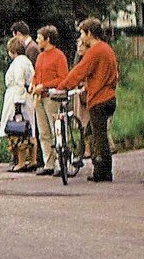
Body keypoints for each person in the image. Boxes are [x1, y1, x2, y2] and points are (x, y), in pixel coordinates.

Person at [56, 17, 119, 182]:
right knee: (95, 132)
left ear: (89, 33)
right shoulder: (107, 49)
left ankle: (103, 172)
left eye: (82, 33)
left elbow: (79, 71)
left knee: (99, 138)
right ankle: (101, 167)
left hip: (99, 98)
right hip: (109, 96)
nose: (81, 38)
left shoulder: (95, 51)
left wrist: (62, 87)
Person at [29, 24, 70, 176]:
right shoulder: (40, 56)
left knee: (56, 130)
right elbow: (36, 73)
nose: (37, 40)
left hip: (52, 97)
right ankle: (48, 163)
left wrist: (44, 86)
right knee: (43, 132)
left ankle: (61, 162)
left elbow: (62, 78)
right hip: (39, 97)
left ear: (48, 39)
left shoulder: (59, 56)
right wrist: (33, 84)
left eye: (39, 38)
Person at [0, 36, 36, 173]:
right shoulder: (26, 62)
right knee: (30, 129)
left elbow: (20, 83)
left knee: (18, 130)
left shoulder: (18, 63)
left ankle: (21, 162)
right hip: (27, 98)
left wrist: (17, 106)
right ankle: (32, 160)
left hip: (17, 98)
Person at [11, 20, 42, 167]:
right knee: (31, 128)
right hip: (28, 93)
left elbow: (21, 80)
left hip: (25, 94)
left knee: (25, 127)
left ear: (18, 34)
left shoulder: (31, 50)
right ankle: (32, 159)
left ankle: (26, 160)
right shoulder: (29, 50)